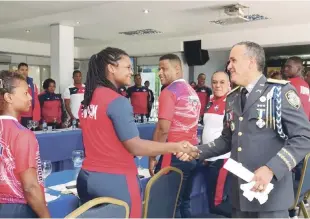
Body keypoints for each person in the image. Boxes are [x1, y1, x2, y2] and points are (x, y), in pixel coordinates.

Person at [183, 41, 310, 218]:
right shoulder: (233, 97)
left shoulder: (279, 93)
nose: (229, 66)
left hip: (270, 197)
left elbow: (304, 137)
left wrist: (271, 169)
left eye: (233, 61)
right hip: (240, 195)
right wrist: (198, 151)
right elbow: (227, 139)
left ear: (251, 62)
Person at [77, 47, 200, 218]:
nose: (131, 72)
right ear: (112, 68)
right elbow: (135, 146)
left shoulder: (87, 101)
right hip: (116, 179)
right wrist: (176, 146)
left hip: (87, 177)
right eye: (127, 67)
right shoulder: (117, 101)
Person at [149, 54, 200, 218]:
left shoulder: (169, 92)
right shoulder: (193, 92)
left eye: (164, 68)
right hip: (191, 153)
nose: (160, 73)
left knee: (169, 205)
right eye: (159, 69)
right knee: (184, 201)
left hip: (173, 155)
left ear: (177, 69)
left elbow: (163, 129)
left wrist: (152, 155)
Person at [0, 70, 50, 218]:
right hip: (17, 209)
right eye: (25, 93)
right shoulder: (22, 134)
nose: (30, 98)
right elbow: (30, 187)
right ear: (8, 97)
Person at [202, 71, 231, 217]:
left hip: (223, 159)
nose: (217, 85)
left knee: (217, 203)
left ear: (229, 84)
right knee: (211, 201)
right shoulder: (211, 101)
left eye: (221, 82)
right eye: (214, 82)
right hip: (210, 159)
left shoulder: (232, 102)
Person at [17, 63, 41, 128]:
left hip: (31, 116)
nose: (24, 72)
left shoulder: (32, 85)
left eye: (26, 70)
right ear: (18, 71)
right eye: (22, 70)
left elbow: (36, 101)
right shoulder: (14, 84)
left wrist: (36, 117)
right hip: (19, 116)